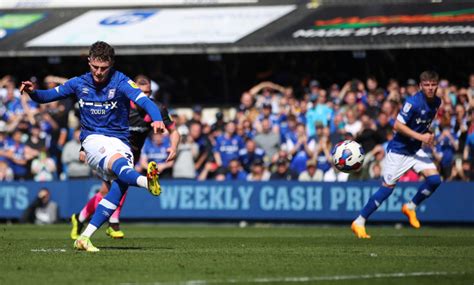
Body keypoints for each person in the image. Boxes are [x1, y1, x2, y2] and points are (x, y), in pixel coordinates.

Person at [20, 41, 165, 252]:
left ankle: (85, 237)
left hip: (120, 140)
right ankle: (145, 181)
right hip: (93, 140)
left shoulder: (122, 81)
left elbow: (146, 102)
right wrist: (33, 92)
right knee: (120, 168)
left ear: (111, 64)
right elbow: (47, 96)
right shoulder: (78, 83)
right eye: (94, 67)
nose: (98, 72)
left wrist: (157, 118)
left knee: (118, 187)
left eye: (103, 68)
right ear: (89, 62)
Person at [70, 75, 179, 240]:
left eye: (148, 93)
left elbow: (174, 130)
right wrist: (84, 147)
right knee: (120, 184)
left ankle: (80, 218)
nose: (145, 96)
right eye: (142, 92)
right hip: (110, 150)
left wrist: (174, 146)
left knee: (106, 191)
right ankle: (113, 223)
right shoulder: (119, 104)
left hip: (133, 153)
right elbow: (97, 124)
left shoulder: (156, 108)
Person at [351, 71, 442, 239]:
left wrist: (428, 134)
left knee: (435, 179)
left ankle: (410, 207)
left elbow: (422, 124)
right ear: (421, 86)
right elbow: (397, 126)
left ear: (437, 85)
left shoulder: (437, 101)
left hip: (414, 150)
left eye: (433, 84)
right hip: (398, 151)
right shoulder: (413, 102)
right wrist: (421, 137)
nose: (430, 88)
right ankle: (359, 221)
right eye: (426, 85)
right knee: (387, 190)